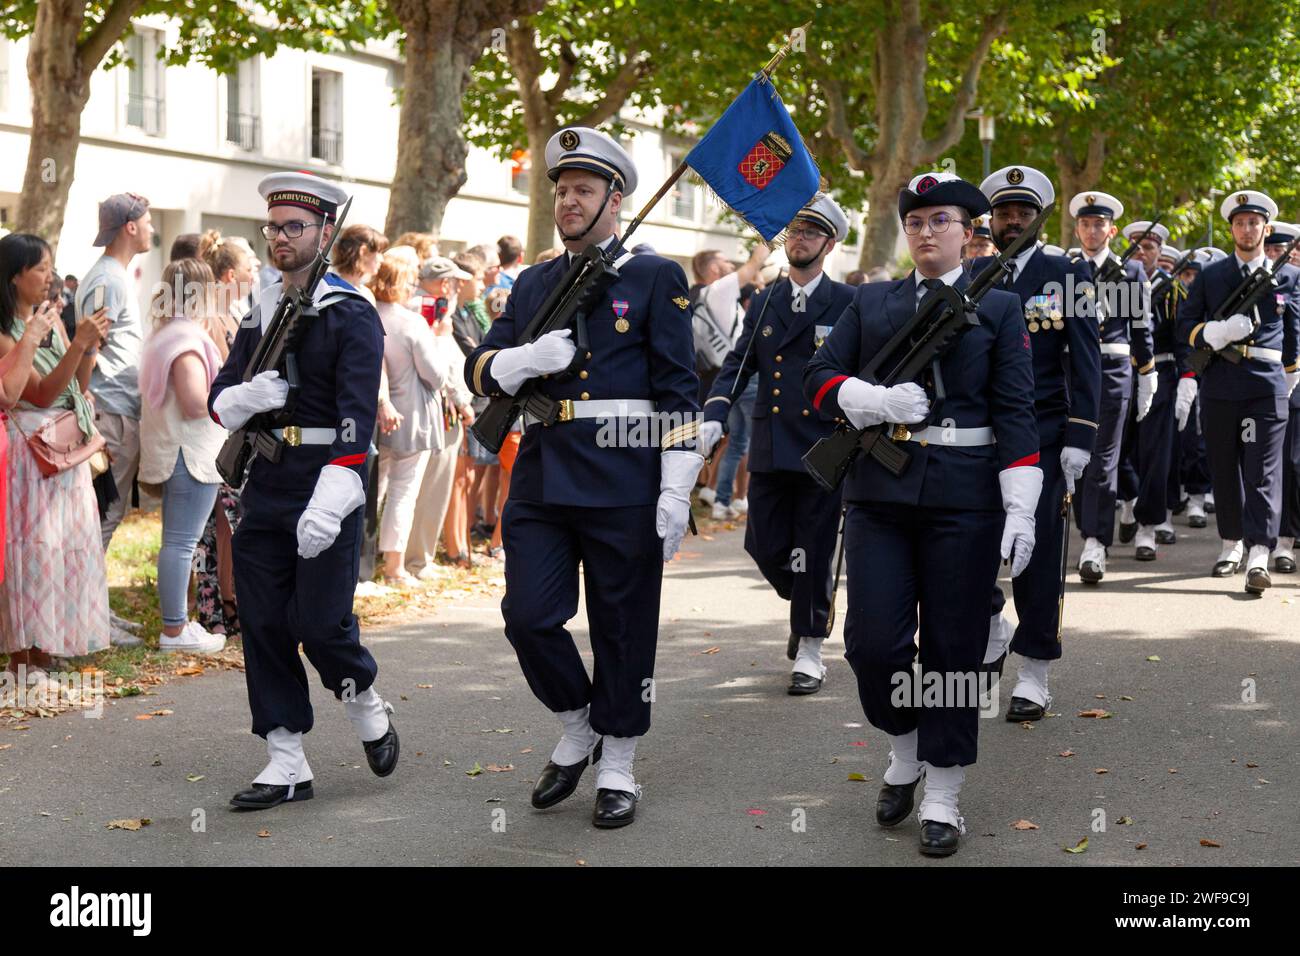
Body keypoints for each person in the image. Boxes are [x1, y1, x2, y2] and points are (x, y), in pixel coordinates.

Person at [465, 126, 701, 828]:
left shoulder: (655, 277)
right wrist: (517, 361)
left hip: (625, 472)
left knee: (624, 626)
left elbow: (678, 391)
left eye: (584, 190)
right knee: (528, 616)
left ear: (615, 199)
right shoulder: (536, 280)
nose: (569, 201)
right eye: (562, 190)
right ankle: (577, 720)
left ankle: (619, 761)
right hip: (542, 471)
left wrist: (675, 484)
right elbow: (483, 360)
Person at [803, 172, 1040, 856]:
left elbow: (1015, 410)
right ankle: (904, 745)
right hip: (880, 490)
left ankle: (942, 788)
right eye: (916, 223)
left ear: (969, 233)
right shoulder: (871, 301)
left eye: (941, 221)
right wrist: (870, 402)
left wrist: (1020, 504)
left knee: (952, 648)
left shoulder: (998, 305)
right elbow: (819, 377)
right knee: (872, 644)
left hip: (965, 495)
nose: (926, 232)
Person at [208, 171, 397, 809]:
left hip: (327, 484)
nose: (281, 238)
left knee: (319, 625)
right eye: (274, 227)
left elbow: (356, 418)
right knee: (261, 622)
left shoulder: (352, 312)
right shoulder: (262, 308)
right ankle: (285, 757)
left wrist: (335, 487)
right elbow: (220, 393)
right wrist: (240, 398)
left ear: (324, 233)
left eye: (296, 227)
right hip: (267, 480)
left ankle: (365, 699)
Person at [699, 194, 854, 695]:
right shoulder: (766, 299)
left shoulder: (847, 302)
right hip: (771, 440)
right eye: (794, 231)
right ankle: (806, 601)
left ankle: (810, 646)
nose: (798, 239)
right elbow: (740, 363)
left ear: (828, 243)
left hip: (821, 445)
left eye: (810, 233)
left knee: (813, 546)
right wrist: (715, 411)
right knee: (763, 544)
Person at [974, 166, 1100, 723]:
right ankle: (992, 624)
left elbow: (1086, 361)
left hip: (1044, 432)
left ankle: (1034, 671)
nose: (1014, 220)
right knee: (971, 542)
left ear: (1039, 218)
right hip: (978, 434)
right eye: (1004, 212)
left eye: (1024, 212)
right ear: (992, 220)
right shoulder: (972, 273)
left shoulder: (1064, 275)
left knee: (1039, 553)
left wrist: (1081, 435)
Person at [1175, 189, 1300, 593]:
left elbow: (1295, 334)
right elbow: (1186, 328)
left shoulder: (1288, 276)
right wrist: (1213, 332)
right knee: (1225, 467)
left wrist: (1292, 375)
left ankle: (1259, 552)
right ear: (1231, 228)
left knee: (1263, 470)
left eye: (1254, 222)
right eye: (1240, 222)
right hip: (1222, 384)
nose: (1247, 229)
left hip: (1266, 386)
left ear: (1265, 228)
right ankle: (1231, 543)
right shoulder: (1212, 276)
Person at [0, 233, 112, 672]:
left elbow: (75, 387)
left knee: (62, 547)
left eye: (51, 267)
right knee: (33, 551)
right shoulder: (8, 335)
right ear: (14, 277)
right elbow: (42, 394)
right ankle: (23, 656)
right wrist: (79, 346)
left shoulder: (51, 320)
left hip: (66, 452)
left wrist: (88, 347)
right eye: (41, 269)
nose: (50, 277)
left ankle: (47, 646)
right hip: (30, 455)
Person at [137, 258, 228, 654]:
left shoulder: (166, 332)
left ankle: (177, 625)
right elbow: (195, 404)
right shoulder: (187, 341)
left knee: (175, 543)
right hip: (189, 453)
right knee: (180, 544)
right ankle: (174, 631)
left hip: (173, 450)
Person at [1067, 193, 1156, 581]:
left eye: (1099, 224)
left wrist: (1148, 372)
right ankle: (1087, 529)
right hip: (1072, 370)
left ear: (1112, 229)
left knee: (1104, 459)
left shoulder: (1131, 272)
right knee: (1076, 458)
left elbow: (1141, 328)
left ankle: (1095, 542)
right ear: (1076, 229)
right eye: (1085, 224)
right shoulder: (1066, 271)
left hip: (1114, 369)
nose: (1091, 230)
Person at [79, 193, 154, 577]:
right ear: (130, 227)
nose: (152, 229)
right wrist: (88, 418)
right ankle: (92, 623)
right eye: (148, 221)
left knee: (106, 514)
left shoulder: (113, 277)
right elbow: (88, 345)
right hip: (109, 412)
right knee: (102, 517)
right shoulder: (108, 279)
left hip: (115, 409)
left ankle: (96, 614)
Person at [370, 247, 446, 584]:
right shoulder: (409, 321)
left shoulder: (369, 315)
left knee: (375, 488)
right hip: (411, 414)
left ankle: (364, 564)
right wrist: (440, 339)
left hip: (375, 414)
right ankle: (394, 567)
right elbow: (435, 374)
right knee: (402, 491)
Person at [401, 256, 475, 575]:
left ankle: (417, 557)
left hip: (430, 408)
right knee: (430, 488)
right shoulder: (430, 310)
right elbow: (441, 366)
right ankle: (418, 559)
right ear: (444, 283)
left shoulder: (418, 307)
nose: (457, 287)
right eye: (454, 281)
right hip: (440, 409)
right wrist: (462, 402)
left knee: (425, 487)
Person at [1266, 222, 1300, 571]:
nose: (1277, 258)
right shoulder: (1270, 287)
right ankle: (1282, 541)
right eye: (1272, 251)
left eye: (1284, 251)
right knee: (1286, 465)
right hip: (1282, 384)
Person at [331, 224, 388, 306]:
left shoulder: (326, 285)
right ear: (363, 252)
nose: (382, 259)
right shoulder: (364, 296)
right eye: (379, 252)